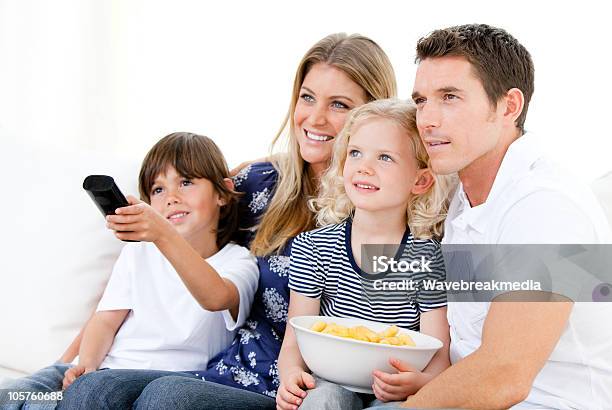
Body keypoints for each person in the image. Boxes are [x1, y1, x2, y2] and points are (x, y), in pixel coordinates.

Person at [57, 32, 398, 410]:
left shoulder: (390, 204)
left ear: (373, 114)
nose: (315, 118)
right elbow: (192, 222)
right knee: (91, 390)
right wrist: (70, 361)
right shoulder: (260, 185)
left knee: (167, 396)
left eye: (339, 104)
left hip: (292, 390)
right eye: (307, 97)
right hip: (224, 373)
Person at [401, 24, 612, 409]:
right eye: (421, 100)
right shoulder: (466, 195)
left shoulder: (546, 206)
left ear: (508, 106)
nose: (427, 119)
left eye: (449, 97)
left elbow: (503, 374)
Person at [0, 132, 259, 410]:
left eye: (186, 182)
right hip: (97, 369)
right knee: (12, 396)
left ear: (222, 193)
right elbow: (105, 321)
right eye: (158, 190)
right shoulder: (139, 251)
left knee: (85, 394)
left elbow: (216, 297)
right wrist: (85, 363)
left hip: (152, 380)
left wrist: (162, 235)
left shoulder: (239, 261)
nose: (171, 198)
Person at [276, 99, 452, 410]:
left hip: (394, 390)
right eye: (355, 153)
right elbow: (294, 340)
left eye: (385, 157)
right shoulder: (313, 248)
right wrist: (290, 375)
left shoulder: (429, 259)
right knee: (325, 399)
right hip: (328, 382)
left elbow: (438, 352)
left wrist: (424, 383)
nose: (364, 167)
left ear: (420, 180)